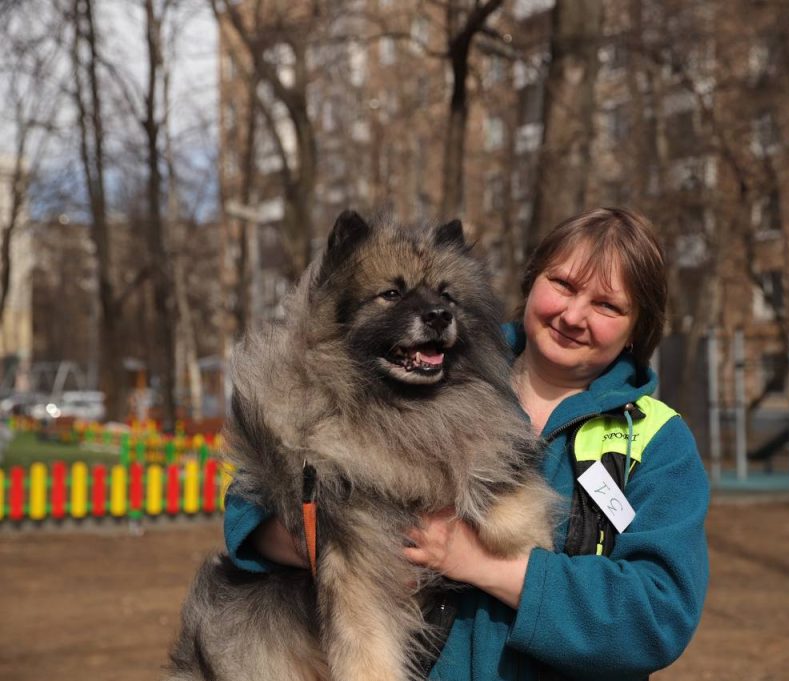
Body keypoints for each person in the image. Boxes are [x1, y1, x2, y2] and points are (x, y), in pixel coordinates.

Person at [223, 207, 710, 680]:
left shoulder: (656, 441)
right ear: (533, 281)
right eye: (563, 285)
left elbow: (657, 616)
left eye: (607, 305)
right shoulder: (424, 379)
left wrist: (478, 562)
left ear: (636, 328)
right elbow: (250, 507)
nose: (573, 315)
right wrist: (335, 542)